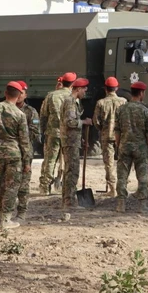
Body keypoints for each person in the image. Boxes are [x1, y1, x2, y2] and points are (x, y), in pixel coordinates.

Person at [0, 81, 31, 229]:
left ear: (5, 93)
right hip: (13, 155)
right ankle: (6, 219)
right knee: (11, 187)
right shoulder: (20, 114)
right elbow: (24, 141)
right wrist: (27, 161)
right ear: (18, 96)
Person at [114, 81, 148, 213]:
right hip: (140, 148)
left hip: (124, 146)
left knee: (122, 176)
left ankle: (121, 204)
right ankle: (142, 206)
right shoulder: (146, 111)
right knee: (142, 177)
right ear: (142, 93)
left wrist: (118, 145)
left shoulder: (121, 109)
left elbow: (117, 130)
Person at [39, 72, 76, 195]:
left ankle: (45, 187)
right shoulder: (73, 97)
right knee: (68, 160)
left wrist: (43, 131)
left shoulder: (51, 96)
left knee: (50, 160)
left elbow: (43, 115)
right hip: (68, 134)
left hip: (53, 132)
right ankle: (66, 187)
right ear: (73, 84)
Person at [60, 78, 92, 208]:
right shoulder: (70, 102)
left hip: (73, 140)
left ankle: (67, 200)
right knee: (72, 171)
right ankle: (70, 202)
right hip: (70, 142)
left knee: (70, 171)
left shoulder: (74, 102)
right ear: (78, 89)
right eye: (84, 89)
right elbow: (69, 122)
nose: (85, 92)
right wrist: (84, 122)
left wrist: (82, 139)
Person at [93, 77, 126, 197]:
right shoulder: (123, 102)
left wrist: (102, 129)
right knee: (123, 161)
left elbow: (96, 121)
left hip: (106, 136)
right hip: (121, 136)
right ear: (117, 88)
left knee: (109, 163)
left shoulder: (101, 103)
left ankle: (112, 189)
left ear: (105, 89)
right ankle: (122, 187)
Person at [14, 81, 40, 220]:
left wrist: (20, 137)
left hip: (25, 152)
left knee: (23, 184)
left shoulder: (30, 111)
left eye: (21, 93)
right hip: (9, 152)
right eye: (17, 93)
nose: (19, 96)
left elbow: (35, 132)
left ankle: (22, 212)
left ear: (25, 94)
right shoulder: (7, 109)